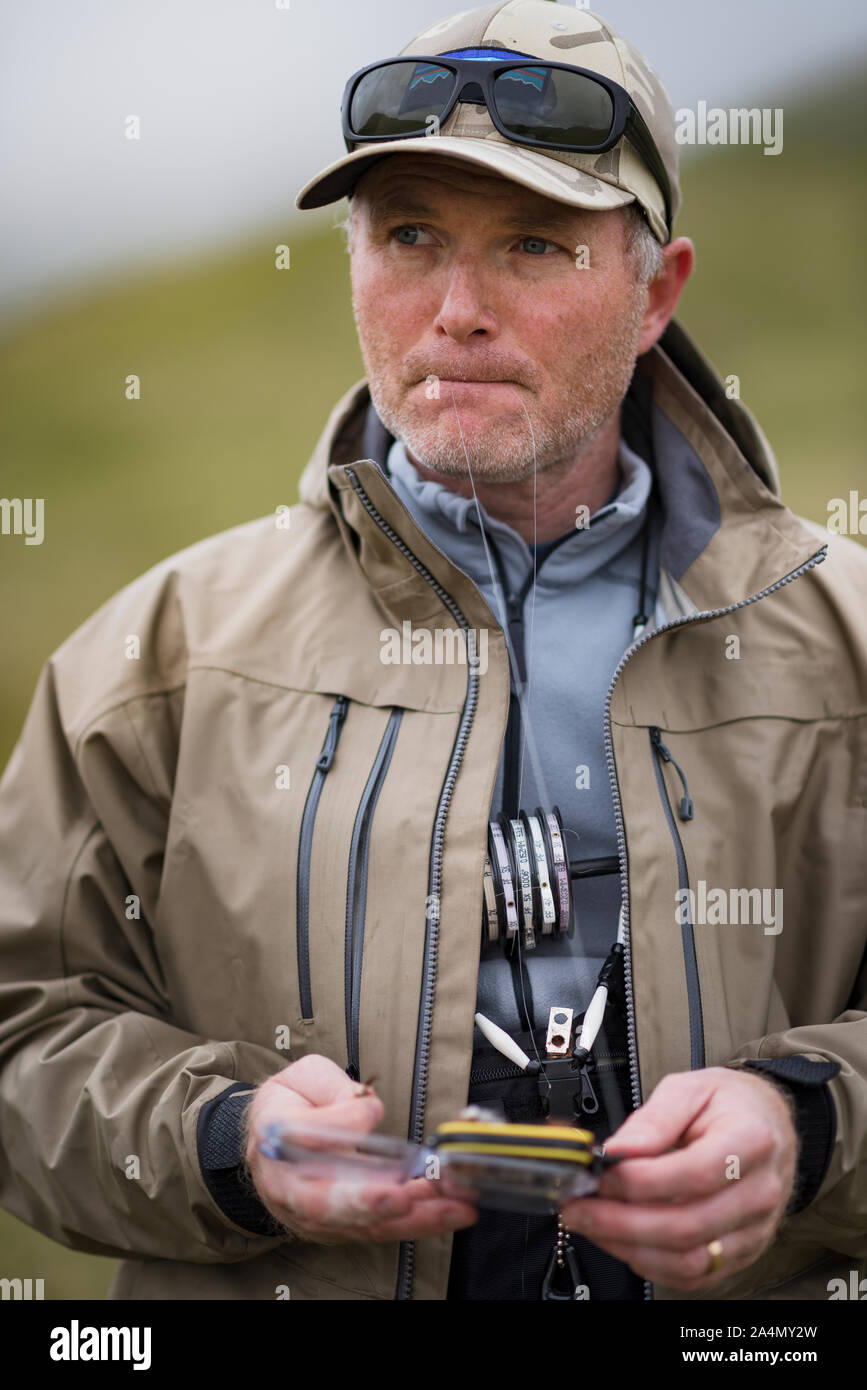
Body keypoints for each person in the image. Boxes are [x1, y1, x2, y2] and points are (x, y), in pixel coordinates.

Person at [0, 0, 864, 1303]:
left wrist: (810, 1123)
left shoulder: (849, 646)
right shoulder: (154, 661)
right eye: (409, 236)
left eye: (533, 244)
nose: (455, 310)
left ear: (655, 291)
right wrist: (225, 1144)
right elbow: (23, 1034)